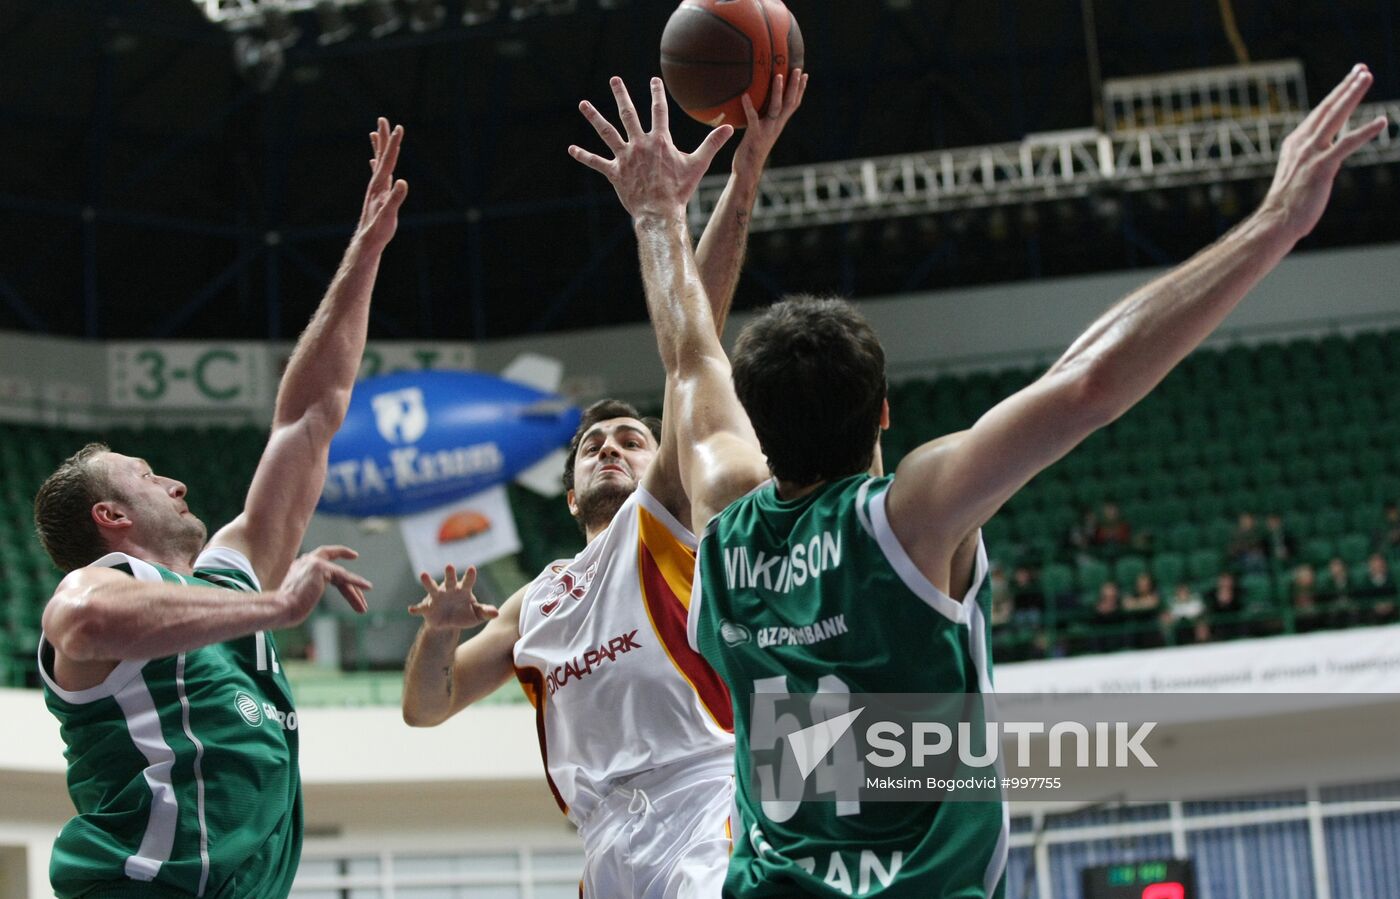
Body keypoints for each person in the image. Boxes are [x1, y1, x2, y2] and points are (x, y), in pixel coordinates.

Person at [572, 64, 1385, 898]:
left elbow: (689, 359)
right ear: (884, 414)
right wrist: (1275, 223)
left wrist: (657, 215)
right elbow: (1086, 385)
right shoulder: (911, 517)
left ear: (757, 429)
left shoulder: (725, 512)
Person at [400, 71, 807, 899]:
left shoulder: (662, 519)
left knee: (692, 368)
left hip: (706, 802)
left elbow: (696, 348)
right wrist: (439, 633)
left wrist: (740, 179)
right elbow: (426, 707)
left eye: (633, 437)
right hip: (601, 842)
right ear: (567, 485)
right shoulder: (533, 603)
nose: (613, 449)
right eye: (594, 443)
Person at [32, 119, 407, 898]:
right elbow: (87, 621)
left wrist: (364, 256)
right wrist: (275, 606)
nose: (177, 483)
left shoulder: (229, 578)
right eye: (145, 475)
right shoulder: (99, 587)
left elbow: (310, 416)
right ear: (111, 518)